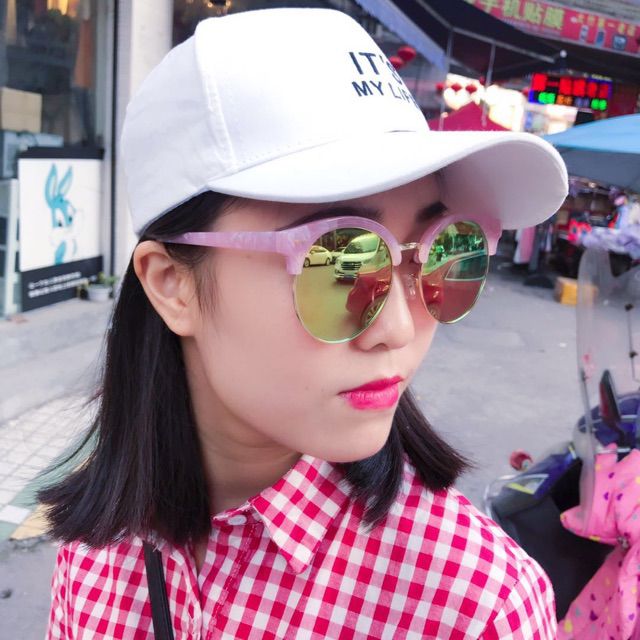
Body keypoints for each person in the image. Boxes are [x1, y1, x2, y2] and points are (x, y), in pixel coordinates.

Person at [41, 7, 568, 639]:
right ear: (171, 284)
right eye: (340, 262)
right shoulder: (98, 544)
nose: (399, 329)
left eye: (442, 252)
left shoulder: (475, 607)